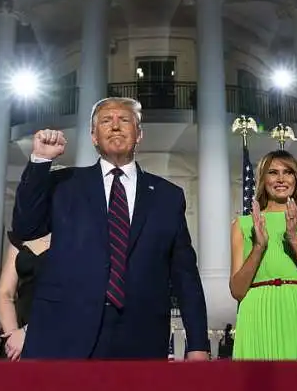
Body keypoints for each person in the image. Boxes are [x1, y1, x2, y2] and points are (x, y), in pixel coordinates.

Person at [12, 97, 210, 360]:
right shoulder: (63, 184)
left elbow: (185, 274)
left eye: (124, 120)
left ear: (139, 134)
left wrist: (198, 343)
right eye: (106, 121)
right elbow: (26, 228)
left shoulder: (168, 196)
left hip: (141, 335)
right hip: (64, 331)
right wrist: (39, 162)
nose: (115, 126)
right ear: (93, 136)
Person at [230, 150, 297, 360]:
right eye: (273, 172)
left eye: (288, 172)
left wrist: (294, 238)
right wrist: (259, 247)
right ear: (263, 179)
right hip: (258, 318)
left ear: (296, 179)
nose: (281, 179)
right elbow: (237, 290)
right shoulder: (243, 225)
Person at [0, 231, 50, 360]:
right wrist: (12, 338)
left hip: (51, 329)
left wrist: (28, 333)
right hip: (15, 331)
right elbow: (5, 293)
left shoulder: (75, 234)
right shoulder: (22, 234)